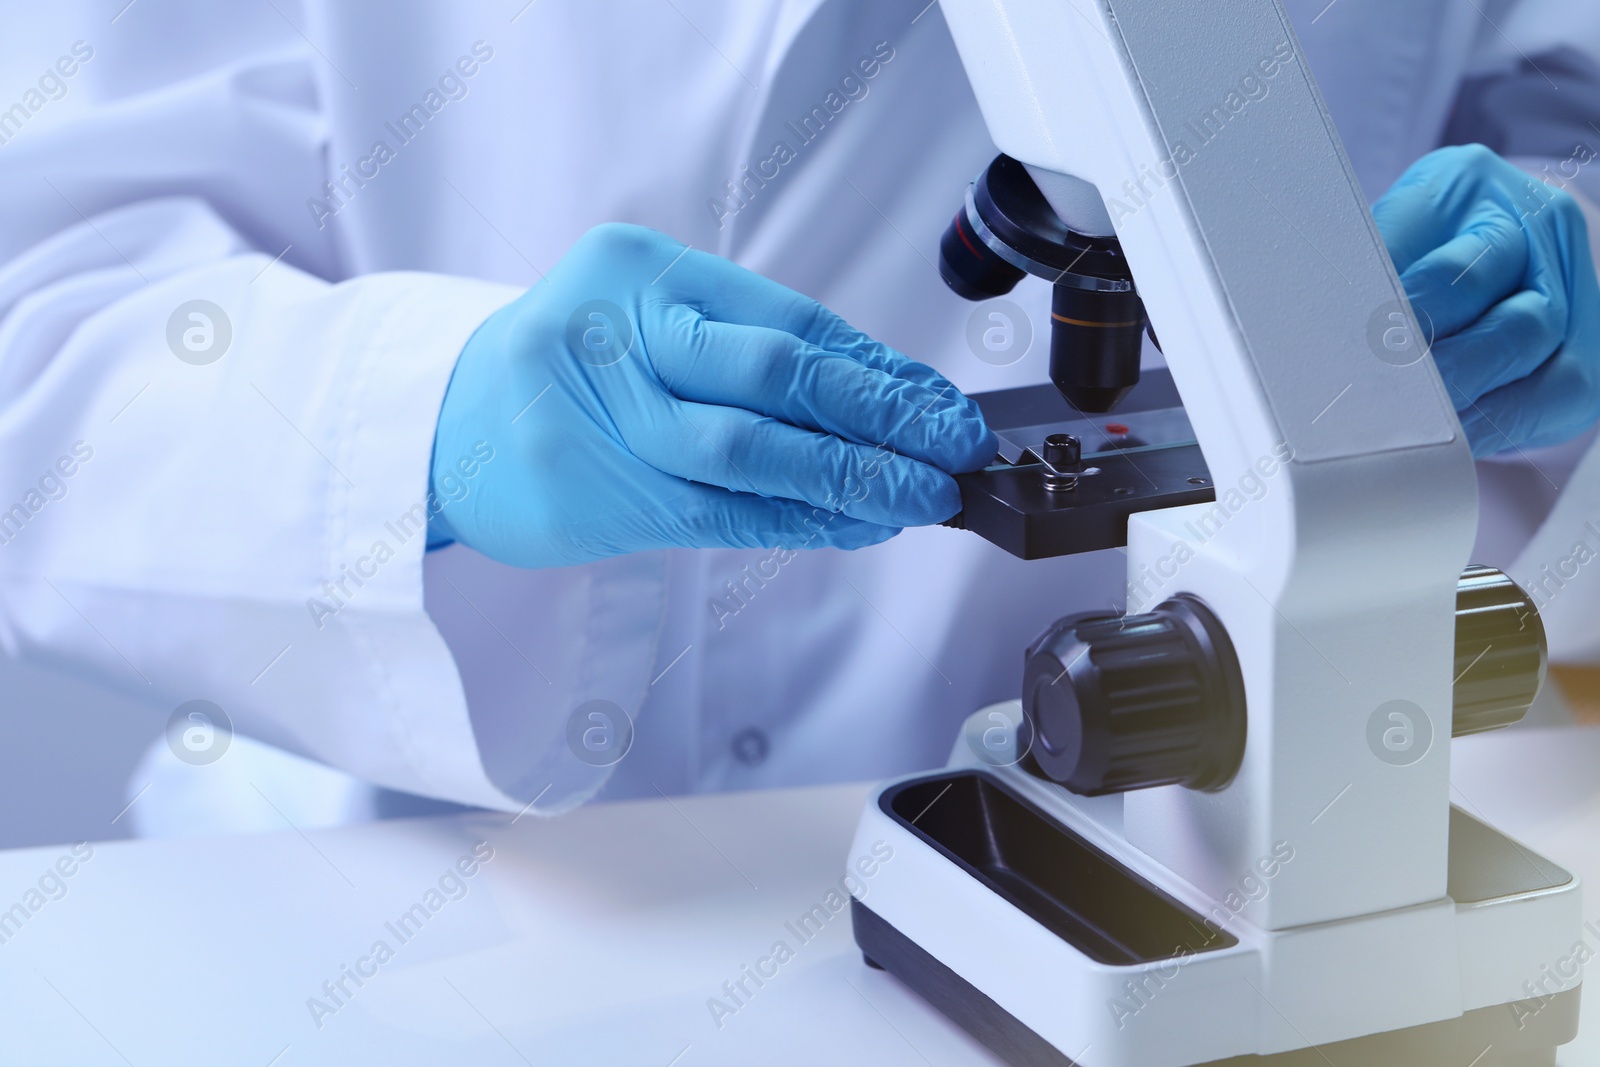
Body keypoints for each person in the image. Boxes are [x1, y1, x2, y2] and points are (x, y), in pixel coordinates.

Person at [0, 0, 1597, 830]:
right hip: (389, 892)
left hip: (1212, 841)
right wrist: (426, 426)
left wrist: (1559, 281)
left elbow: (1564, 122)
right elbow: (46, 321)